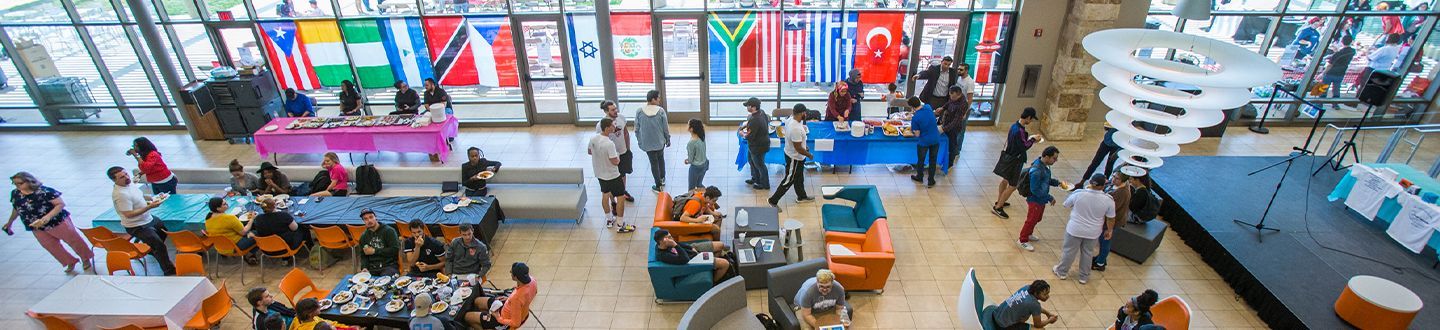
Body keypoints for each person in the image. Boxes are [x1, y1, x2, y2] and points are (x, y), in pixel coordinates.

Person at [7, 172, 93, 273]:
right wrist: (10, 222)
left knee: (73, 240)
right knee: (50, 246)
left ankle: (85, 258)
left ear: (29, 181)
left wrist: (47, 217)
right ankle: (69, 261)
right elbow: (17, 208)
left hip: (57, 222)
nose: (17, 186)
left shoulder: (45, 191)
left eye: (20, 183)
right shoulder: (16, 194)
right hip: (36, 226)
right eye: (15, 183)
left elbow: (60, 204)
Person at [108, 166, 176, 275]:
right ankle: (168, 270)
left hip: (147, 218)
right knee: (159, 245)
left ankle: (152, 250)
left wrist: (153, 198)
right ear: (114, 180)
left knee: (162, 230)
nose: (126, 177)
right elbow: (128, 214)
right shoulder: (121, 195)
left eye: (126, 174)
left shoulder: (129, 184)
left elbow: (139, 195)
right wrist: (149, 207)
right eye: (122, 177)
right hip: (136, 225)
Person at [1053, 174, 1115, 284]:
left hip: (1075, 229)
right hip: (1093, 232)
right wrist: (1109, 230)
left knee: (1069, 251)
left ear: (1090, 182)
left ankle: (1062, 272)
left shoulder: (1079, 194)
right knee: (1088, 253)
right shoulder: (1108, 200)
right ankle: (1083, 276)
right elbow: (1111, 218)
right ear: (1103, 186)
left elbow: (1066, 205)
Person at [992, 108, 1043, 219]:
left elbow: (1019, 142)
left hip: (1009, 156)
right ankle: (998, 207)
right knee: (1013, 185)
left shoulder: (1014, 126)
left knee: (1005, 180)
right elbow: (1024, 146)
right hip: (1015, 160)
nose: (1031, 121)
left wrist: (1030, 139)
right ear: (1028, 117)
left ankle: (1000, 200)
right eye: (1031, 119)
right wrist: (1033, 140)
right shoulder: (1019, 131)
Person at [590, 117, 636, 233]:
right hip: (612, 175)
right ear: (607, 128)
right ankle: (620, 224)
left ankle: (609, 219)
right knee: (620, 197)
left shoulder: (593, 138)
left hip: (600, 173)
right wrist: (618, 156)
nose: (614, 126)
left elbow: (590, 151)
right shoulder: (609, 144)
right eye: (612, 125)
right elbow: (615, 161)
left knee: (605, 195)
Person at [463, 262, 538, 330]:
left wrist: (498, 318)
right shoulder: (532, 280)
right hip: (506, 306)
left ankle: (486, 323)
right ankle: (484, 320)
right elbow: (529, 294)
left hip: (503, 320)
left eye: (512, 272)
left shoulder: (517, 298)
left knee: (467, 317)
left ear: (516, 277)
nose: (510, 272)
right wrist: (509, 299)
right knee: (477, 301)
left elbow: (516, 323)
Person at [768, 105, 815, 210]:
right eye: (805, 113)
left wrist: (804, 146)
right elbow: (798, 148)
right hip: (795, 158)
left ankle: (801, 196)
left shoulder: (791, 119)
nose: (806, 115)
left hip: (794, 155)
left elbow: (798, 142)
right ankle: (772, 201)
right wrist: (809, 155)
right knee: (788, 180)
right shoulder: (796, 128)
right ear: (801, 113)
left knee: (799, 177)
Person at [1017, 146, 1063, 252]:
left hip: (1041, 199)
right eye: (1054, 158)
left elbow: (1046, 180)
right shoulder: (1037, 171)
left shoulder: (1045, 167)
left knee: (1037, 218)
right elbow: (1035, 189)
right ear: (1046, 157)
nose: (1056, 161)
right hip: (1035, 199)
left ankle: (1029, 234)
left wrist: (1058, 183)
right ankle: (1022, 240)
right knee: (1031, 219)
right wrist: (1049, 197)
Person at [653, 229, 731, 282]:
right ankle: (714, 282)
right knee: (725, 264)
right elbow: (685, 259)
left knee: (720, 245)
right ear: (663, 241)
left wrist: (691, 248)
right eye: (669, 237)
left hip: (692, 250)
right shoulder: (663, 255)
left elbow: (680, 244)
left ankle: (713, 266)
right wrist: (674, 245)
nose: (672, 238)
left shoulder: (665, 244)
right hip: (692, 260)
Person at [597, 100, 637, 202]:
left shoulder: (621, 118)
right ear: (606, 111)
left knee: (623, 174)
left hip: (623, 152)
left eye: (615, 108)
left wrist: (627, 148)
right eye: (612, 110)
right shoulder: (601, 125)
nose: (616, 111)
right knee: (612, 178)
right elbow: (600, 141)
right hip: (611, 156)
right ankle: (613, 201)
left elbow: (625, 133)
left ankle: (623, 192)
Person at [1094, 170, 1132, 271]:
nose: (1113, 180)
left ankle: (1100, 263)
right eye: (1113, 176)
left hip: (1112, 221)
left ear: (1123, 180)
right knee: (1102, 241)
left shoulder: (1122, 193)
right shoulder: (1115, 185)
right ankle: (1100, 257)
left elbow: (1111, 209)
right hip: (1107, 220)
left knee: (1105, 241)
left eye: (1117, 178)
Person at [635, 90, 671, 192]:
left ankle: (658, 185)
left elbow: (637, 128)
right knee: (661, 159)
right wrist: (667, 139)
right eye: (658, 98)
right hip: (659, 142)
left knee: (653, 163)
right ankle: (662, 178)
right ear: (653, 99)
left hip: (647, 143)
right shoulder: (661, 111)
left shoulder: (639, 111)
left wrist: (640, 140)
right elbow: (665, 128)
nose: (659, 100)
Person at [206, 197, 258, 265]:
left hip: (220, 247)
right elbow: (244, 232)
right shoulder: (230, 218)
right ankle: (251, 254)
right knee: (256, 232)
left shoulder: (208, 219)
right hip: (235, 246)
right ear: (218, 208)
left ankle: (251, 254)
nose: (227, 204)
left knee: (248, 232)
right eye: (224, 204)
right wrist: (252, 219)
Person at [992, 280, 1059, 329]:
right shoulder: (1034, 304)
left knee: (1023, 317)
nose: (1048, 296)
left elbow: (1035, 308)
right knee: (1041, 329)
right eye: (1045, 294)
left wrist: (1048, 313)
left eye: (1048, 293)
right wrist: (1049, 320)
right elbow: (1038, 324)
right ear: (1036, 293)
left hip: (997, 315)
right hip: (1002, 326)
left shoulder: (1027, 288)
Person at [909, 97, 941, 187]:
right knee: (933, 160)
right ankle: (931, 180)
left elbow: (917, 134)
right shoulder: (928, 107)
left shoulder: (915, 118)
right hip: (935, 139)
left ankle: (920, 177)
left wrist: (912, 131)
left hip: (924, 141)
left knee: (921, 160)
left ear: (912, 107)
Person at [1076, 124, 1120, 188]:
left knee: (1109, 166)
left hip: (1117, 146)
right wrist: (1107, 127)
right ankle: (1082, 182)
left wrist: (1118, 151)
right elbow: (1108, 127)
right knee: (1095, 162)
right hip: (1106, 141)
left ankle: (1104, 185)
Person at [357, 209, 399, 276]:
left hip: (389, 266)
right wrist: (364, 267)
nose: (369, 220)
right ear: (363, 221)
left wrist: (375, 251)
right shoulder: (364, 236)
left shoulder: (389, 231)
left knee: (384, 280)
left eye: (371, 217)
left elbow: (395, 250)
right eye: (365, 219)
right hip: (372, 268)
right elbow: (363, 256)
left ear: (376, 217)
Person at [938, 86, 970, 173]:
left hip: (954, 128)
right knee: (946, 143)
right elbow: (949, 103)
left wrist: (944, 129)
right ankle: (943, 159)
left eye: (953, 97)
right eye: (950, 95)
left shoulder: (963, 104)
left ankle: (949, 163)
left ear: (959, 94)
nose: (951, 98)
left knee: (952, 145)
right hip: (947, 123)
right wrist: (943, 108)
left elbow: (956, 121)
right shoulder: (953, 98)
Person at [742, 97, 771, 190]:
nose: (747, 107)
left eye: (748, 106)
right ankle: (755, 178)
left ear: (753, 107)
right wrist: (747, 125)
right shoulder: (761, 112)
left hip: (758, 146)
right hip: (757, 144)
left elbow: (750, 136)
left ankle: (765, 184)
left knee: (760, 165)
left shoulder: (755, 119)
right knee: (751, 161)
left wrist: (742, 134)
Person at [1320, 35, 1357, 100]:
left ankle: (1319, 102)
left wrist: (1323, 73)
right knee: (1336, 90)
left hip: (1330, 73)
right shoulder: (1352, 51)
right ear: (1351, 42)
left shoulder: (1338, 54)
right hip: (1341, 73)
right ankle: (1335, 103)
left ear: (1342, 42)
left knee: (1323, 90)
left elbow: (1330, 65)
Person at [685, 119, 709, 190]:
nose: (687, 126)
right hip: (705, 163)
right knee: (699, 184)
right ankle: (705, 194)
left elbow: (690, 159)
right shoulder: (702, 136)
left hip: (696, 167)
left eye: (688, 125)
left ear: (691, 129)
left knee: (691, 188)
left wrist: (687, 161)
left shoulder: (691, 143)